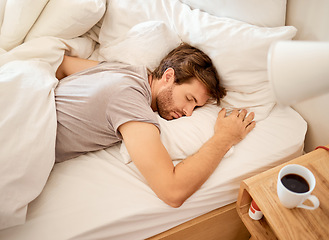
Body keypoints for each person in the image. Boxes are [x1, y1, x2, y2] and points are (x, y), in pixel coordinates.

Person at [55, 43, 256, 207]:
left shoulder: (125, 71)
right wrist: (225, 138)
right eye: (189, 98)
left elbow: (61, 65)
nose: (187, 112)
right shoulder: (131, 102)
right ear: (168, 77)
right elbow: (172, 191)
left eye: (195, 107)